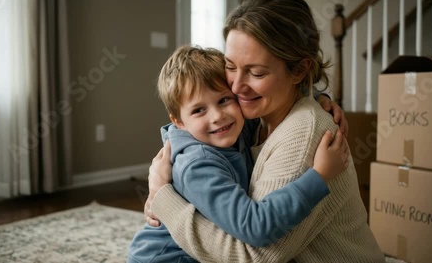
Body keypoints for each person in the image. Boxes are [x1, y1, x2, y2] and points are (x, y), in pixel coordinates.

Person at [145, 0, 385, 263]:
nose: (236, 87)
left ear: (299, 71)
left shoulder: (303, 136)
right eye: (231, 66)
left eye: (257, 73)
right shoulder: (254, 115)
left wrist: (164, 199)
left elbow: (252, 257)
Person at [128, 46, 349, 263]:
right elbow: (254, 226)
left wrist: (317, 97)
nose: (217, 116)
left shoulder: (235, 128)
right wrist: (319, 177)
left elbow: (275, 98)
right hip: (167, 258)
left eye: (224, 100)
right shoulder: (198, 166)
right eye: (198, 110)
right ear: (178, 122)